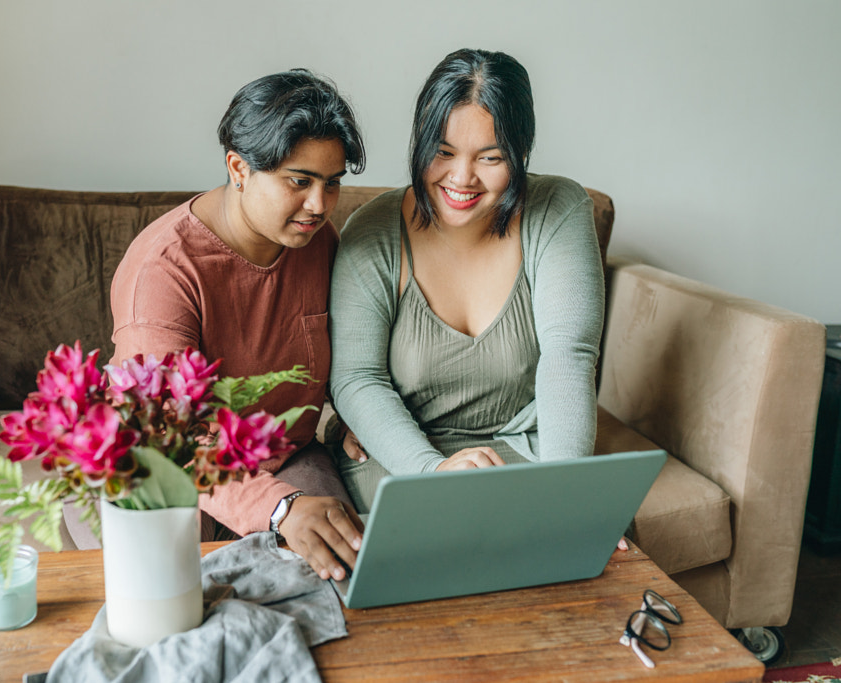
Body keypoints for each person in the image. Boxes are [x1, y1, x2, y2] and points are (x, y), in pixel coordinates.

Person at [107, 69, 366, 582]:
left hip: (288, 457)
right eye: (299, 181)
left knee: (347, 572)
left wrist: (352, 414)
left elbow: (348, 354)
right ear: (238, 167)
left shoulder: (318, 242)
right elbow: (162, 436)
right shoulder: (163, 271)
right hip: (170, 478)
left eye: (331, 183)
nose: (319, 205)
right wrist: (280, 509)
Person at [328, 49, 605, 513]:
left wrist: (567, 493)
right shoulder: (371, 232)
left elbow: (568, 358)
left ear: (520, 153)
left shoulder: (559, 209)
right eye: (443, 153)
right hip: (404, 456)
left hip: (525, 449)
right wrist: (433, 471)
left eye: (490, 157)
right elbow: (357, 377)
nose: (461, 178)